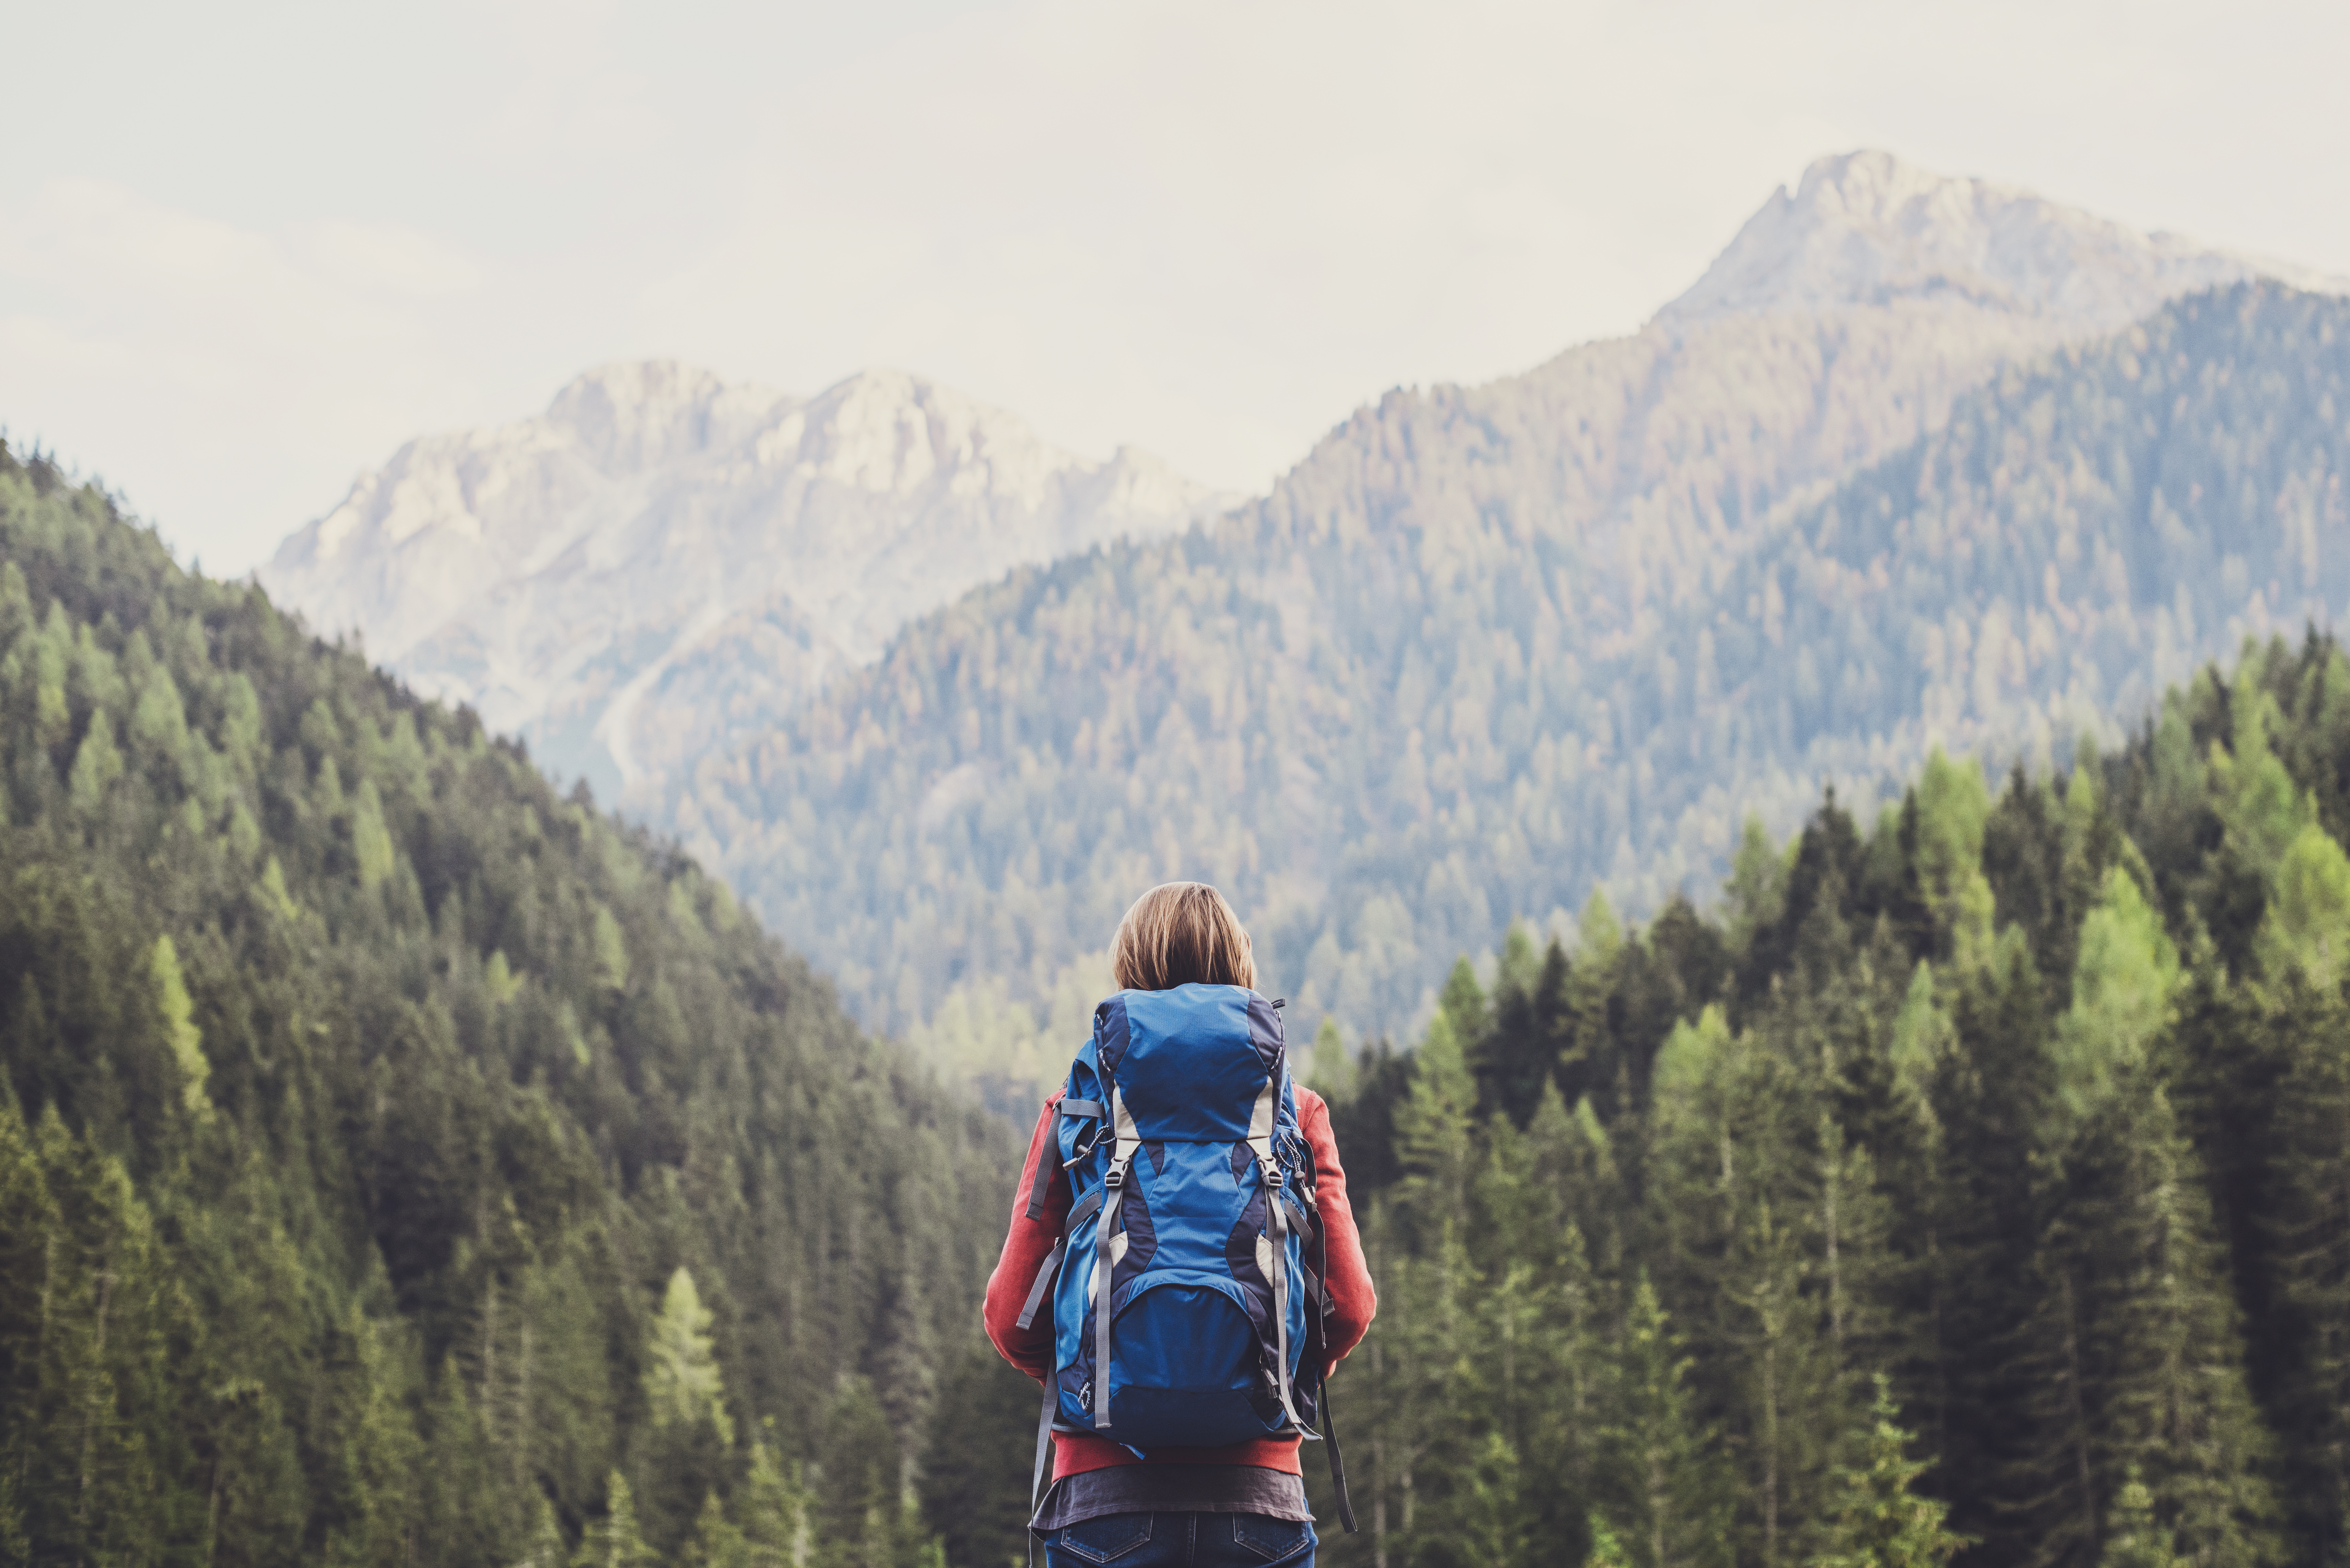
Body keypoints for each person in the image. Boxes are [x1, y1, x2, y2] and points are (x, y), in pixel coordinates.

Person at [985, 882, 1377, 1568]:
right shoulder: (1297, 1111)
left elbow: (1009, 1317)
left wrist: (1108, 1377)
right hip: (1261, 1505)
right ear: (1241, 967)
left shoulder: (1077, 1109)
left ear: (1130, 968)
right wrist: (1265, 1373)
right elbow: (1349, 1307)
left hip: (1102, 1505)